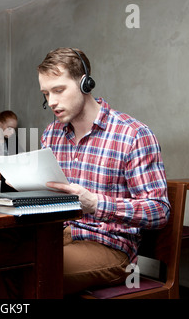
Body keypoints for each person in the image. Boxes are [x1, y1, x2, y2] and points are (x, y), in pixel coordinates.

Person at [37, 47, 170, 295]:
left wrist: (96, 203)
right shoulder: (51, 133)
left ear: (85, 84)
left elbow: (159, 211)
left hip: (110, 246)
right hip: (61, 234)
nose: (51, 101)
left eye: (58, 90)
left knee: (34, 271)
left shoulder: (132, 134)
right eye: (46, 93)